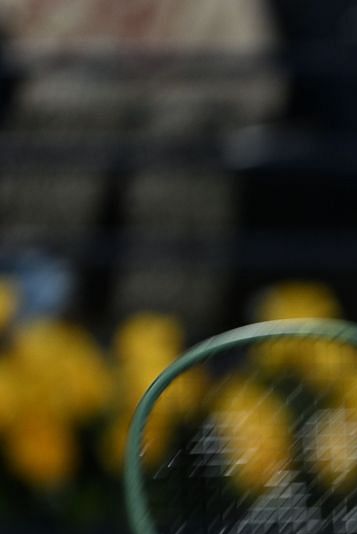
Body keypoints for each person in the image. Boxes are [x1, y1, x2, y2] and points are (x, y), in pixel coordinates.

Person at [0, 0, 284, 335]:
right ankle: (28, 318)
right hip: (74, 102)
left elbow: (259, 87)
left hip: (187, 112)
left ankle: (156, 339)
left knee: (181, 136)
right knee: (71, 102)